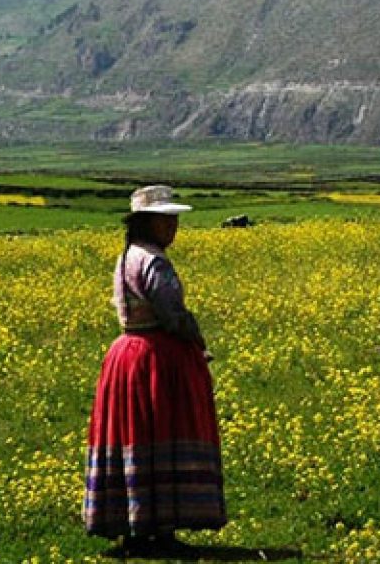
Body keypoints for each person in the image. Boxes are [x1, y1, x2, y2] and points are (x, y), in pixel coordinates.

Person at [84, 185, 226, 556]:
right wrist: (196, 342)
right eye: (167, 220)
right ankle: (160, 526)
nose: (173, 227)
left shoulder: (127, 256)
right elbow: (172, 314)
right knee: (163, 430)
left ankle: (135, 525)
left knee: (135, 435)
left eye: (174, 220)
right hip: (153, 359)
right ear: (149, 223)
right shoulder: (154, 263)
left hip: (126, 356)